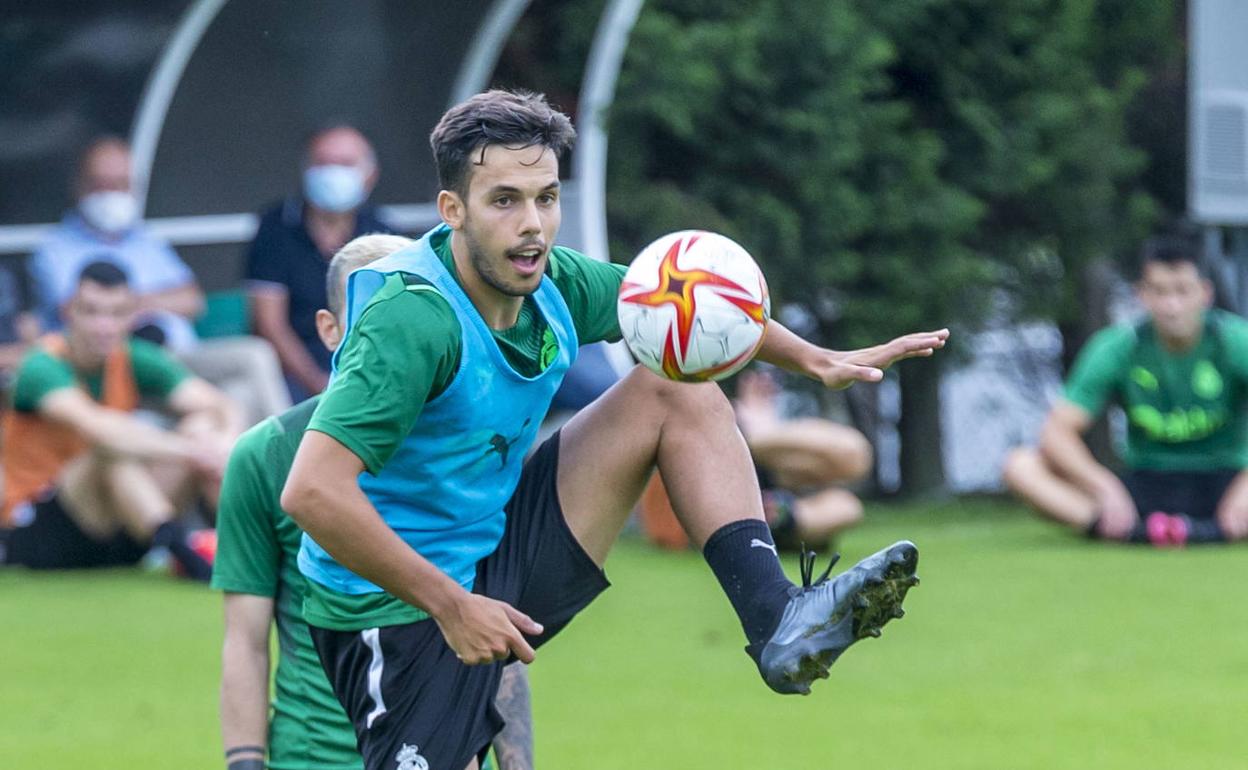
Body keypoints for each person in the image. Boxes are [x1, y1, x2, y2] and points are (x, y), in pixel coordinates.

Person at [280, 90, 944, 770]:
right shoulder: (410, 320)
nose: (533, 225)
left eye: (546, 198)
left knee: (673, 379)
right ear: (453, 211)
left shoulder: (553, 281)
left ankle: (777, 617)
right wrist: (451, 606)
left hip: (495, 550)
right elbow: (311, 492)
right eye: (504, 200)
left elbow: (692, 308)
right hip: (391, 610)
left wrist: (814, 359)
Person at [215, 234, 534, 770]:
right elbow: (245, 639)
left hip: (441, 750)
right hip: (316, 759)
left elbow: (495, 620)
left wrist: (517, 763)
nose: (395, 336)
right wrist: (245, 763)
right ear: (330, 329)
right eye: (374, 317)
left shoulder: (472, 451)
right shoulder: (266, 455)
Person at [0, 261, 242, 580]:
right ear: (68, 312)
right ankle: (187, 556)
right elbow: (98, 428)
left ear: (133, 315)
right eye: (92, 312)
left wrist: (221, 443)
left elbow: (220, 405)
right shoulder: (41, 365)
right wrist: (192, 450)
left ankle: (244, 549)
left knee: (201, 424)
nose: (104, 326)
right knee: (110, 451)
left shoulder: (133, 356)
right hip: (38, 529)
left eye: (116, 313)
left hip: (118, 529)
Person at [1002, 234, 1248, 545]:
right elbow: (1056, 433)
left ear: (1205, 293)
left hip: (1225, 478)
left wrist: (1245, 489)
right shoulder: (1117, 346)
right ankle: (1130, 529)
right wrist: (1103, 486)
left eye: (1182, 291)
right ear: (1141, 294)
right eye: (1159, 292)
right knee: (1020, 466)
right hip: (1145, 483)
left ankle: (1217, 526)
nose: (1172, 306)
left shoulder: (1236, 341)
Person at [29, 137, 290, 424]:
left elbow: (192, 300)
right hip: (120, 365)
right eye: (102, 184)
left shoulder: (144, 240)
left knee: (245, 382)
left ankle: (291, 449)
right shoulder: (56, 249)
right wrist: (151, 302)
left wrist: (132, 303)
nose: (112, 194)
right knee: (237, 387)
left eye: (121, 184)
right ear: (80, 186)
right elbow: (77, 311)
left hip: (180, 355)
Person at [244, 125, 395, 401]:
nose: (333, 172)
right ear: (306, 171)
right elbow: (270, 324)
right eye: (323, 163)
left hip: (362, 367)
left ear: (370, 175)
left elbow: (391, 321)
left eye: (345, 163)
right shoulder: (275, 228)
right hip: (290, 372)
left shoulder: (381, 230)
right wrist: (320, 385)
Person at [736, 369, 872, 549]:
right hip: (730, 465)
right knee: (852, 453)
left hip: (766, 490)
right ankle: (753, 436)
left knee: (848, 506)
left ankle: (778, 516)